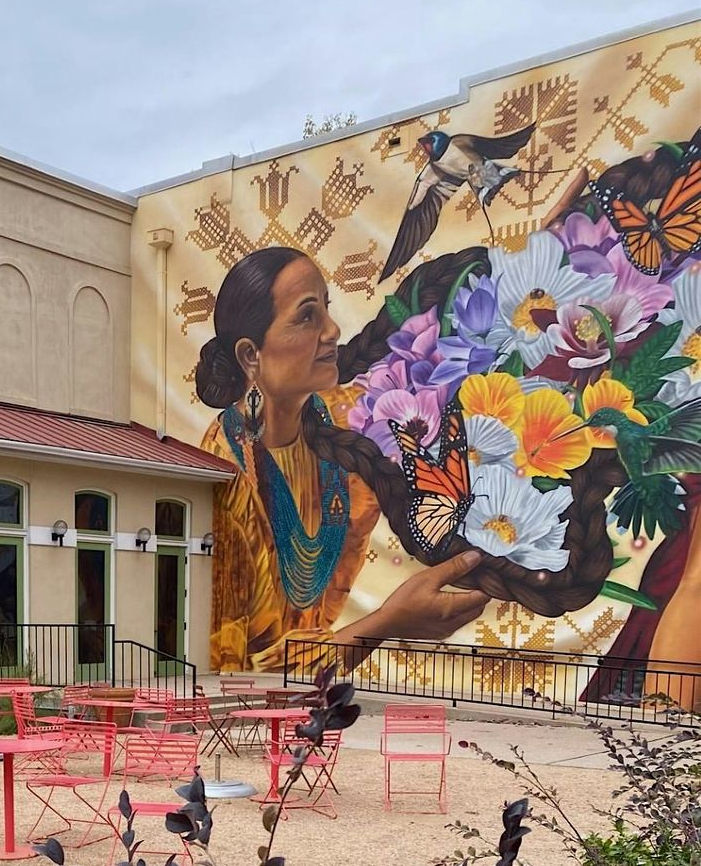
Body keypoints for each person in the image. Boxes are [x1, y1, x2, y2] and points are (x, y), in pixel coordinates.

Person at [196, 247, 489, 673]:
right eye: (307, 316)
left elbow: (428, 383)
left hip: (314, 704)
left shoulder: (345, 415)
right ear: (250, 356)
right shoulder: (224, 481)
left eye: (328, 310)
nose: (332, 330)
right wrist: (388, 621)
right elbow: (246, 671)